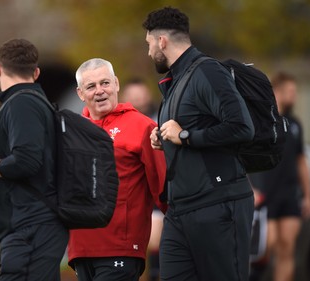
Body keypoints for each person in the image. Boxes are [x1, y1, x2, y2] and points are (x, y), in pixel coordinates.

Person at [144, 7, 256, 281]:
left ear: (162, 41)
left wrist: (186, 137)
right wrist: (166, 140)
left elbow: (242, 127)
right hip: (180, 211)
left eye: (148, 44)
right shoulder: (177, 80)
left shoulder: (207, 70)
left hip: (217, 205)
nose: (148, 53)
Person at [0, 38, 68, 281]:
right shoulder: (28, 103)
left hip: (30, 228)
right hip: (31, 228)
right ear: (36, 72)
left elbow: (26, 161)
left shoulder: (22, 103)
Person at [68, 58, 167, 281]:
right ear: (80, 93)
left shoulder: (142, 127)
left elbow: (163, 187)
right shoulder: (72, 131)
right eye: (91, 86)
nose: (100, 91)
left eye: (105, 83)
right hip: (80, 248)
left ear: (116, 84)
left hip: (121, 246)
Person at [249, 72, 310, 281]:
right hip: (265, 196)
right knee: (266, 247)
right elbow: (244, 159)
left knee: (287, 248)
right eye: (290, 91)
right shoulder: (261, 122)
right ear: (277, 91)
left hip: (289, 195)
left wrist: (307, 195)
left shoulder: (294, 124)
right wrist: (250, 188)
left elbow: (301, 160)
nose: (294, 96)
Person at [121, 78, 162, 281]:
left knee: (156, 240)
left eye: (141, 96)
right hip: (132, 196)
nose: (138, 100)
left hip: (157, 192)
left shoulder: (158, 121)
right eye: (133, 97)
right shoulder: (120, 126)